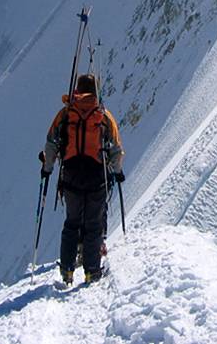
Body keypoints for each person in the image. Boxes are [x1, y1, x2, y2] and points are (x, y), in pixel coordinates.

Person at [40, 73, 124, 284]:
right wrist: (117, 171)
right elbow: (116, 148)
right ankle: (91, 271)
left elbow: (51, 143)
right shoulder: (103, 115)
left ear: (77, 90)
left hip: (71, 174)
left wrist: (47, 168)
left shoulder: (66, 114)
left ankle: (67, 270)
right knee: (94, 224)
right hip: (96, 174)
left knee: (72, 222)